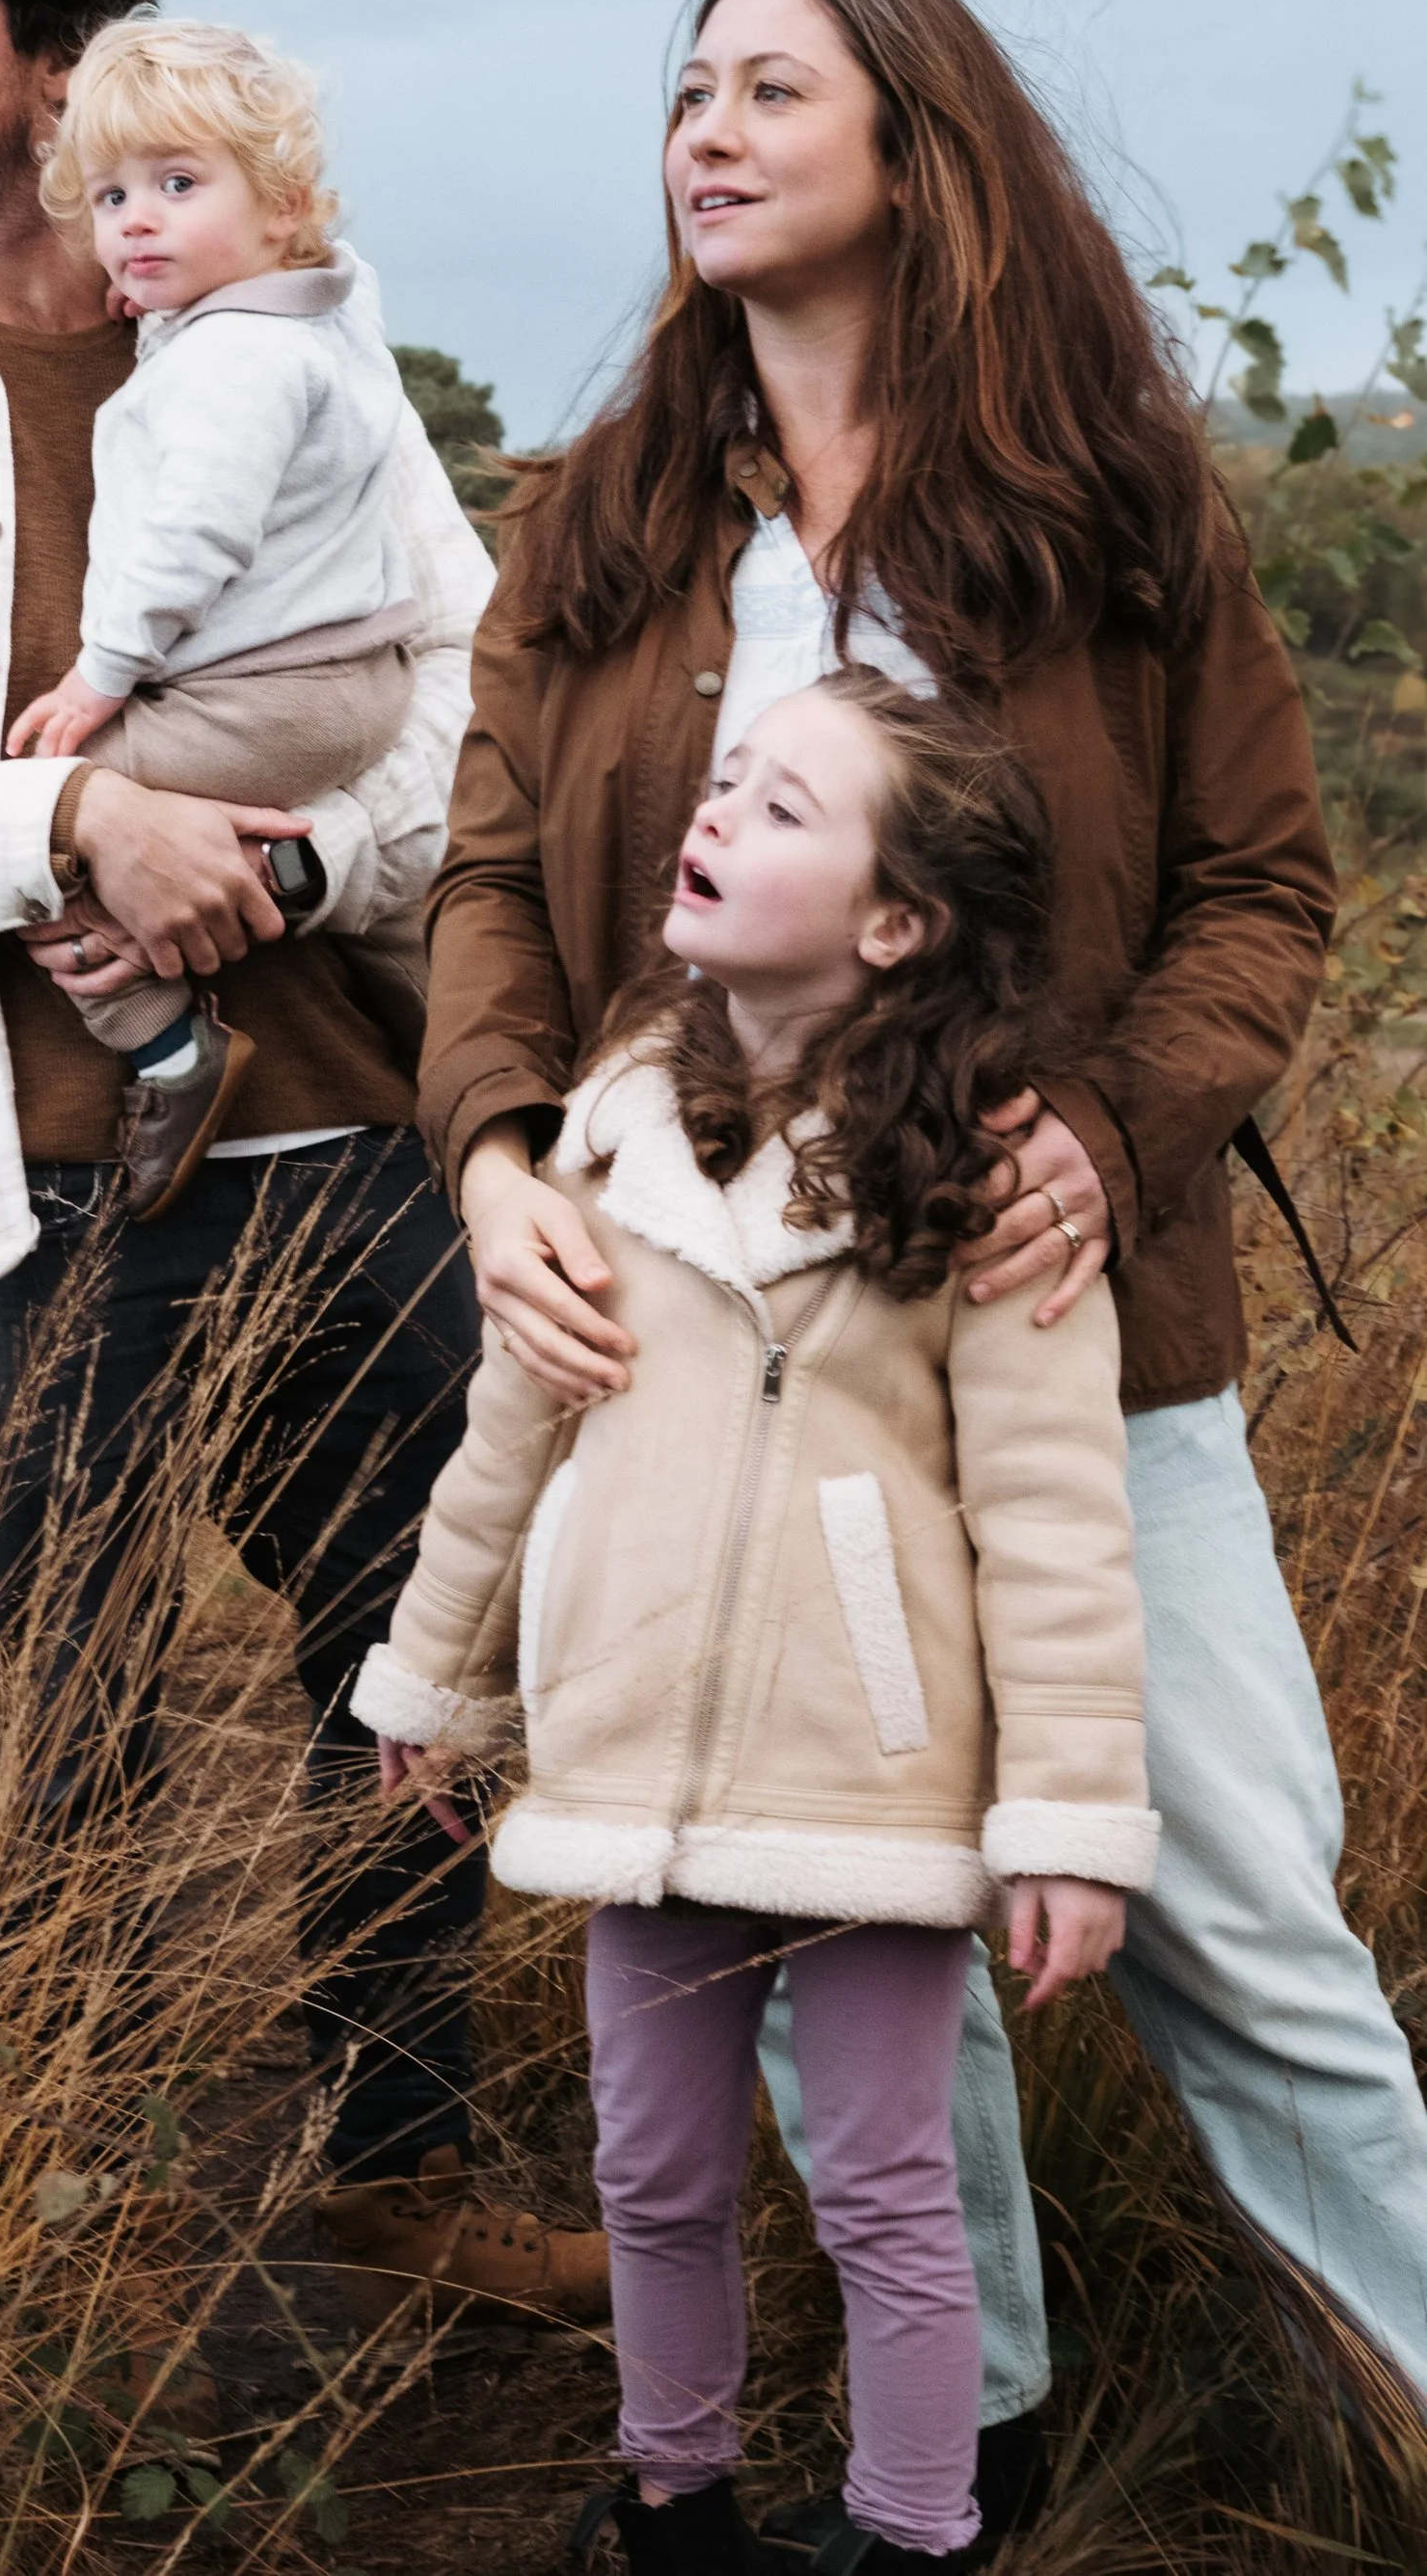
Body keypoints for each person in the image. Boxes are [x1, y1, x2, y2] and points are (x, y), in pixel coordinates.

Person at [419, 0, 1427, 2539]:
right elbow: (498, 876)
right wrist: (499, 1150)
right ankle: (946, 2470)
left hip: (1061, 1338)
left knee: (1237, 1923)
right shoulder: (612, 510)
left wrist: (1118, 1111)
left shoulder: (1110, 496)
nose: (706, 127)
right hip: (716, 1352)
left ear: (912, 143)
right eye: (685, 87)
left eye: (773, 84)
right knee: (827, 1954)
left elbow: (1255, 888)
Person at [0, 0, 605, 2334]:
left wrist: (291, 874)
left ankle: (397, 2165)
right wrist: (78, 811)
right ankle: (53, 2232)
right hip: (9, 1176)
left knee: (411, 1659)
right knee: (64, 1692)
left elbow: (477, 698)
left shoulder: (277, 343)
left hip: (335, 1123)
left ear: (54, 53)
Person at [359, 670, 1157, 2570]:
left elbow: (1054, 1527)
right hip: (637, 1753)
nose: (713, 813)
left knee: (883, 2188)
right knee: (649, 2170)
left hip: (868, 1788)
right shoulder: (614, 1132)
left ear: (895, 923)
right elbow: (509, 1425)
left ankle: (911, 2532)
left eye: (783, 805)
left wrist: (1060, 1823)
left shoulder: (981, 1178)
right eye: (723, 781)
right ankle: (672, 2502)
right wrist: (434, 1669)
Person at [7, 13, 423, 1212]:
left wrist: (100, 673)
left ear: (283, 206)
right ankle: (404, 974)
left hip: (268, 693)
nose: (133, 219)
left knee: (41, 821)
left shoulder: (231, 361)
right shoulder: (317, 319)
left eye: (178, 185)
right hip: (342, 683)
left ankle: (165, 1038)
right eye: (109, 194)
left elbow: (195, 534)